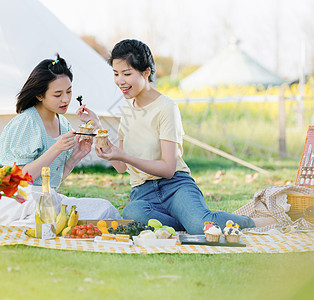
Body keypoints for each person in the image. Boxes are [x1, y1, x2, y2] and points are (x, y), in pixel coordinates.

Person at [77, 39, 275, 234]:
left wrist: (124, 156)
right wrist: (98, 128)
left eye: (127, 74)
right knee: (132, 213)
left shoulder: (166, 108)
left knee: (200, 226)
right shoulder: (127, 111)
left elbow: (168, 169)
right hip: (143, 193)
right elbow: (121, 167)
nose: (120, 81)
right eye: (116, 74)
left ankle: (250, 222)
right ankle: (187, 223)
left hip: (175, 187)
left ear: (146, 72)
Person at [0, 54, 120, 227]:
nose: (65, 99)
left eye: (69, 91)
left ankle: (52, 224)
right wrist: (56, 149)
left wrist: (76, 156)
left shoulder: (63, 123)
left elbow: (52, 181)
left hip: (47, 198)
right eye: (58, 94)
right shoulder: (25, 123)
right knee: (48, 216)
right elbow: (18, 179)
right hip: (20, 200)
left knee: (105, 209)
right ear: (40, 96)